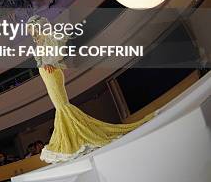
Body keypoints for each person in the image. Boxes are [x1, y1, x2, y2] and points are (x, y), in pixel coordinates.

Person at [27, 15, 154, 163]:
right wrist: (43, 62)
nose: (29, 31)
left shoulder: (48, 36)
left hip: (51, 72)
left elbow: (57, 51)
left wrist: (50, 61)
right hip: (46, 75)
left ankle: (76, 138)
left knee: (62, 107)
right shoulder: (39, 42)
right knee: (60, 107)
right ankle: (76, 137)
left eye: (30, 28)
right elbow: (39, 61)